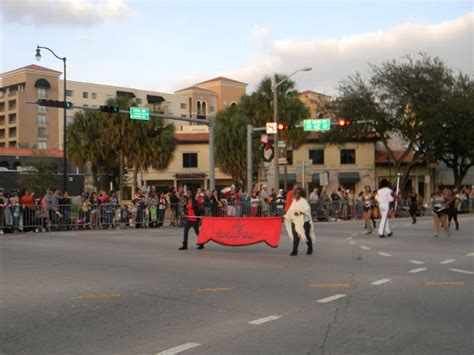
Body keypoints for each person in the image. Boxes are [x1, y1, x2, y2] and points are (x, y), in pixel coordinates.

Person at [285, 188, 315, 256]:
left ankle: (310, 247)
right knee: (296, 236)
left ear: (301, 194)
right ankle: (294, 250)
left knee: (306, 236)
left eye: (298, 193)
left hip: (304, 222)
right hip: (295, 221)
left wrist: (300, 212)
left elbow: (307, 209)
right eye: (295, 193)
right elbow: (290, 211)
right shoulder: (294, 201)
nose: (296, 194)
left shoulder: (303, 201)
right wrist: (286, 216)